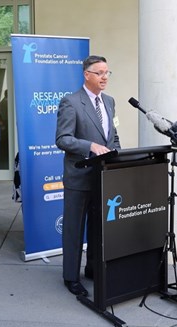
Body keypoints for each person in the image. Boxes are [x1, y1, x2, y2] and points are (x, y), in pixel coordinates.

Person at [55, 55, 121, 297]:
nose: (105, 77)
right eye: (100, 73)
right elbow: (62, 139)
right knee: (74, 230)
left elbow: (113, 135)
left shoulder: (111, 102)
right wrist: (90, 146)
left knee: (98, 229)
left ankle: (93, 269)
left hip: (103, 177)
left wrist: (117, 155)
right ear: (87, 75)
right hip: (79, 177)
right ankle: (70, 277)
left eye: (107, 73)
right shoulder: (71, 102)